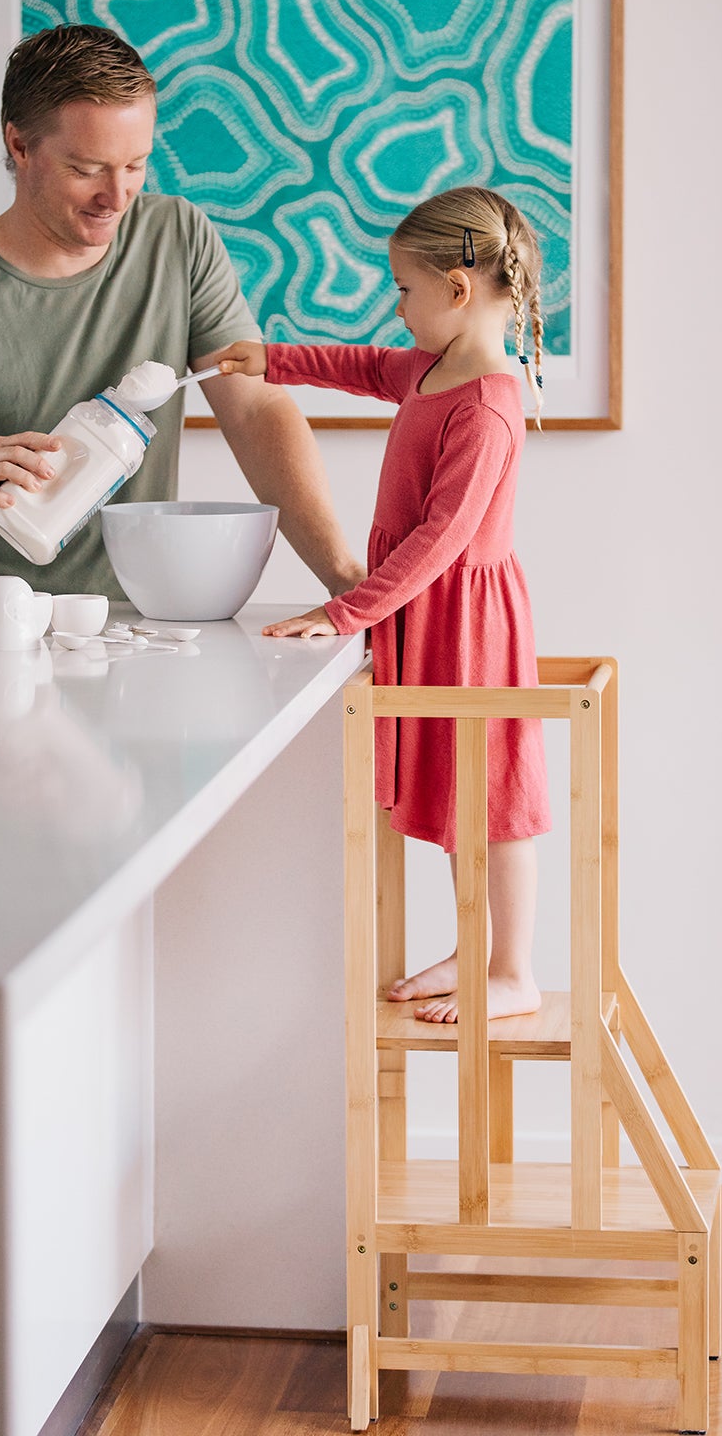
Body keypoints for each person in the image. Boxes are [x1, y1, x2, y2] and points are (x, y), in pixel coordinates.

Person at [0, 23, 362, 602]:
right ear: (19, 146)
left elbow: (254, 412)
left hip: (149, 628)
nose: (117, 197)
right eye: (87, 168)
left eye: (135, 165)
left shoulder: (176, 238)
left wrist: (347, 581)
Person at [214, 185, 550, 1023]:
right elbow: (365, 368)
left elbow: (440, 540)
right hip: (427, 613)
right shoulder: (437, 372)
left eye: (404, 290)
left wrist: (341, 612)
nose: (395, 308)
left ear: (458, 289)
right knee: (457, 789)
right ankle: (480, 952)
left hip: (467, 620)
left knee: (495, 798)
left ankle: (514, 969)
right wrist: (272, 359)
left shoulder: (487, 407)